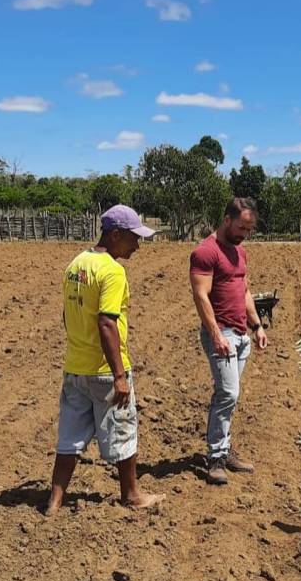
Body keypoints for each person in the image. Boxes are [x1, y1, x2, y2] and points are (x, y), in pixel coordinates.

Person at [45, 205, 164, 517]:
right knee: (123, 430)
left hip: (75, 367)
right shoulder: (112, 271)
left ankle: (54, 502)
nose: (138, 245)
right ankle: (132, 494)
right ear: (115, 235)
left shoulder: (75, 264)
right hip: (103, 370)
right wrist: (119, 376)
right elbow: (107, 323)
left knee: (69, 438)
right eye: (133, 238)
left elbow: (67, 316)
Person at [189, 197, 268, 486]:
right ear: (226, 219)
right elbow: (201, 295)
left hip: (241, 335)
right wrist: (215, 334)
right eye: (241, 227)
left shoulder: (240, 252)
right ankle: (216, 458)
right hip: (221, 335)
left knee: (230, 398)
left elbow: (244, 290)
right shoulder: (205, 252)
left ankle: (224, 448)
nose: (245, 233)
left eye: (249, 229)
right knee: (227, 395)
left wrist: (256, 325)